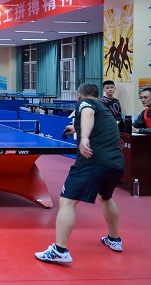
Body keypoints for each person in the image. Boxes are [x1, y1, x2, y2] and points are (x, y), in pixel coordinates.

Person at [35, 83, 125, 264]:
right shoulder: (105, 109)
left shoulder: (85, 103)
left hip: (93, 160)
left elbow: (88, 113)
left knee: (67, 201)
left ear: (78, 96)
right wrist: (76, 128)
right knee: (106, 198)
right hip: (116, 163)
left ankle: (60, 250)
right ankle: (114, 239)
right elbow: (97, 122)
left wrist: (84, 137)